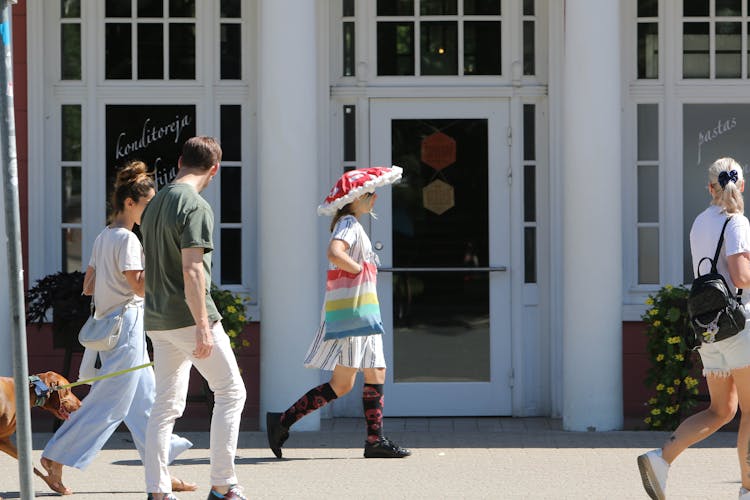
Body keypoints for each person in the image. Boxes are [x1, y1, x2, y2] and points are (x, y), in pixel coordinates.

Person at [40, 160, 196, 495]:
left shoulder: (104, 236)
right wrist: (160, 263)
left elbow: (89, 284)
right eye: (147, 205)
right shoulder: (128, 239)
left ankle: (162, 473)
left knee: (147, 405)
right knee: (109, 402)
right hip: (126, 327)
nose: (149, 211)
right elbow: (139, 287)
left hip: (113, 326)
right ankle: (55, 455)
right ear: (130, 202)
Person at [266, 166, 410, 460]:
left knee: (375, 371)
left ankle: (375, 440)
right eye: (370, 194)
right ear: (356, 198)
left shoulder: (353, 223)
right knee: (342, 385)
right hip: (354, 314)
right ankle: (282, 421)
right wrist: (358, 268)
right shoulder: (348, 224)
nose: (374, 199)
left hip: (363, 312)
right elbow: (335, 252)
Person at [140, 136, 247, 500]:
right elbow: (192, 269)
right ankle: (223, 484)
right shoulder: (195, 206)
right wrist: (203, 325)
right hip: (188, 318)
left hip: (156, 319)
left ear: (181, 160)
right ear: (214, 170)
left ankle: (157, 490)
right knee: (231, 391)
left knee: (165, 406)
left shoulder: (154, 205)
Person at [638, 157, 750, 500]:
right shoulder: (737, 222)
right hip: (739, 327)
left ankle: (661, 458)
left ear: (710, 188)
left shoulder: (700, 221)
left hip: (709, 328)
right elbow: (741, 276)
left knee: (721, 410)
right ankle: (748, 488)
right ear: (741, 186)